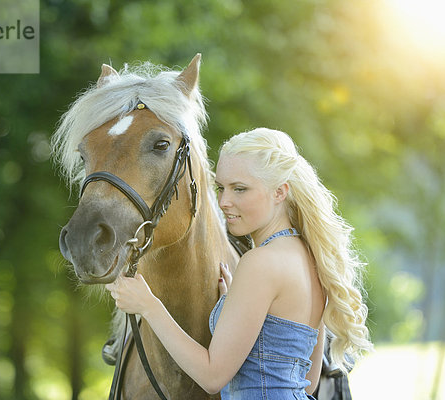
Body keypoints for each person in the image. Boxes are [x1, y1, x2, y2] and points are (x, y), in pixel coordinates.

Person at [105, 128, 373, 399]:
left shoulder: (260, 263)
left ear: (280, 192)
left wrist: (148, 306)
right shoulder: (310, 258)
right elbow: (308, 380)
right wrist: (236, 304)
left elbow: (212, 377)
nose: (224, 202)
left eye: (240, 189)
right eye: (221, 188)